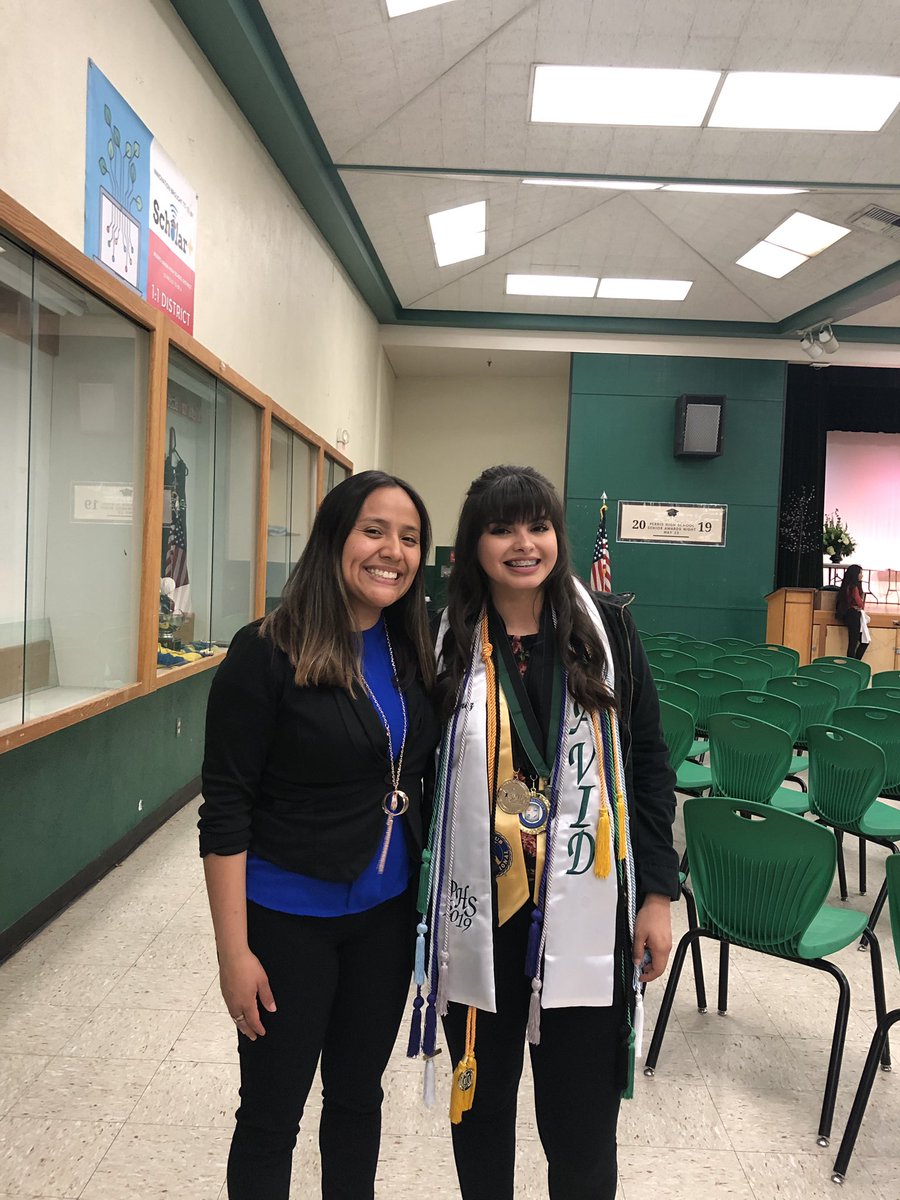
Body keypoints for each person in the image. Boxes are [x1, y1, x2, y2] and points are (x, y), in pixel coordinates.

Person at [413, 465, 679, 1200]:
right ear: (474, 545)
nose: (523, 544)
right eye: (502, 528)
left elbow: (649, 763)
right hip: (482, 917)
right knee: (483, 1112)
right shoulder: (447, 639)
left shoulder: (608, 629)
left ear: (559, 537)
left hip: (589, 913)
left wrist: (657, 892)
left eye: (538, 526)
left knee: (582, 1129)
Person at [199, 470, 439, 1200]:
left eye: (408, 538)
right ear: (335, 537)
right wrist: (232, 952)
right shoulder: (266, 651)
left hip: (385, 919)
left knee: (359, 1099)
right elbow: (225, 808)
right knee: (272, 1116)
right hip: (286, 919)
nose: (391, 551)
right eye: (374, 530)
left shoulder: (412, 652)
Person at [835, 564, 869, 659]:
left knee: (855, 642)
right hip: (853, 615)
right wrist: (861, 606)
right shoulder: (854, 587)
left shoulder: (846, 586)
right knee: (857, 642)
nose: (861, 575)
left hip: (848, 614)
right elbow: (860, 603)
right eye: (860, 573)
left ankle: (854, 662)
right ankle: (854, 663)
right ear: (855, 574)